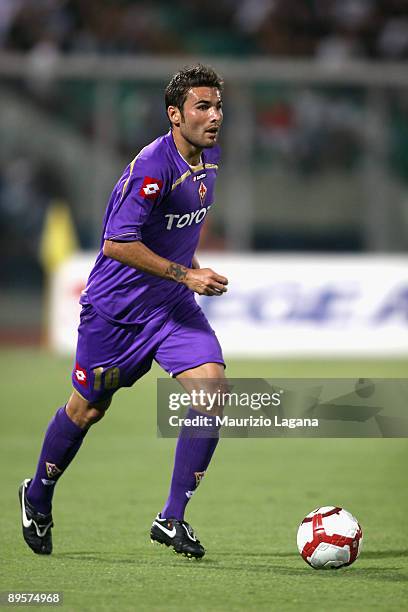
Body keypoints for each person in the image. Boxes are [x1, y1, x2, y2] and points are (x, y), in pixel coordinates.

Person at [19, 64, 228, 560]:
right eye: (203, 106)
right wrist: (187, 274)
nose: (215, 115)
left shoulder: (211, 156)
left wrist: (189, 266)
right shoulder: (153, 167)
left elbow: (178, 227)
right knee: (87, 408)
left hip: (171, 310)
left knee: (212, 391)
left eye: (218, 106)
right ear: (175, 115)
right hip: (117, 314)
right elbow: (116, 244)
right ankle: (37, 496)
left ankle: (171, 518)